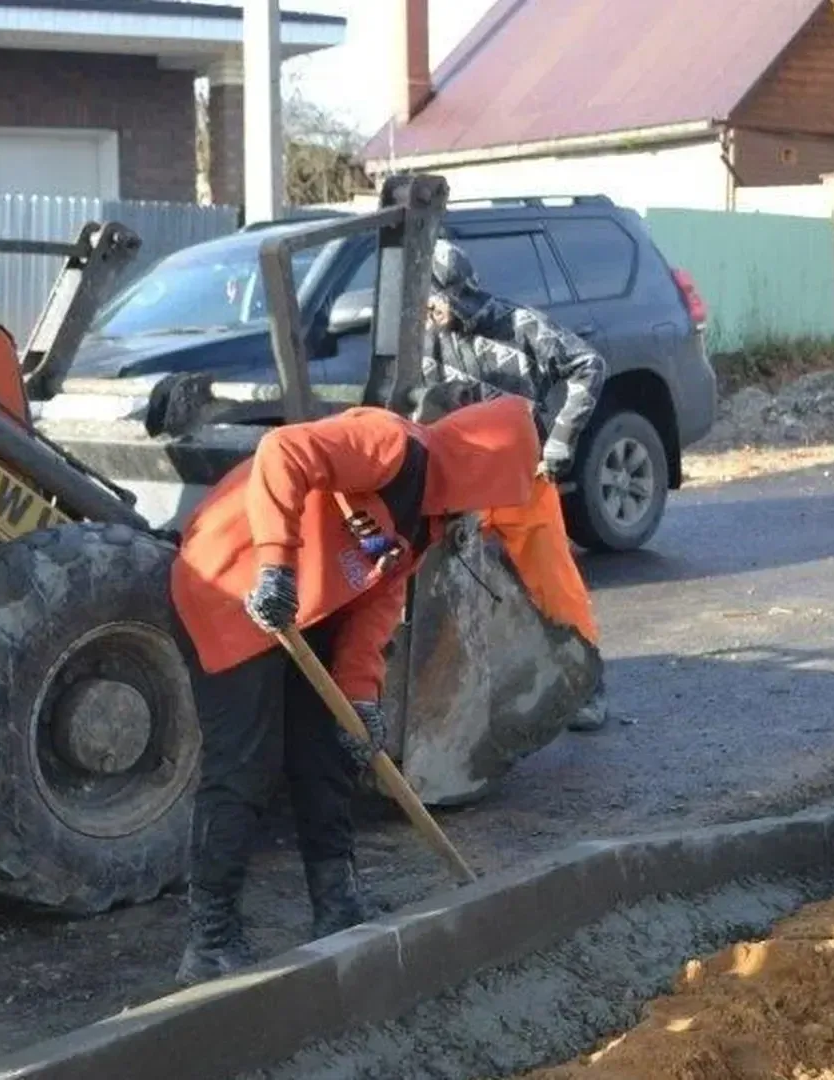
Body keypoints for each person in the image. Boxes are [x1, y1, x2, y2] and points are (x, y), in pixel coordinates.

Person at [170, 395, 543, 981]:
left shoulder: (427, 521)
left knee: (329, 750)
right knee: (244, 764)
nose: (486, 514)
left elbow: (376, 609)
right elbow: (282, 451)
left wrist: (360, 701)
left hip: (305, 604)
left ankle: (336, 904)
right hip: (233, 579)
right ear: (484, 466)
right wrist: (274, 568)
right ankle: (210, 940)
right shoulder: (392, 446)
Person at [417, 237, 611, 730]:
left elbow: (589, 365)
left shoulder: (519, 325)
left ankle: (585, 688)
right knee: (454, 591)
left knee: (552, 587)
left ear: (458, 292)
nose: (430, 309)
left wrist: (560, 441)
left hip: (523, 477)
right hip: (461, 484)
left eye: (435, 297)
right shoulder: (419, 340)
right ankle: (465, 710)